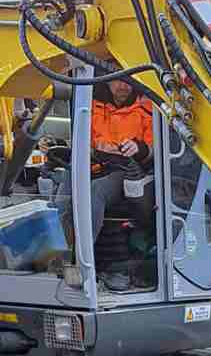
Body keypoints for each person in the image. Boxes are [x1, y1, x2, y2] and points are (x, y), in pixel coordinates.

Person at [57, 77, 153, 248]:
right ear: (107, 82)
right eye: (117, 81)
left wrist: (138, 148)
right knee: (67, 178)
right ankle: (58, 244)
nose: (123, 86)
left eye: (127, 81)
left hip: (124, 171)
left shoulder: (147, 110)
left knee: (97, 191)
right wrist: (95, 149)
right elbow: (83, 141)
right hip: (94, 163)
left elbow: (154, 151)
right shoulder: (90, 107)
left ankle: (82, 253)